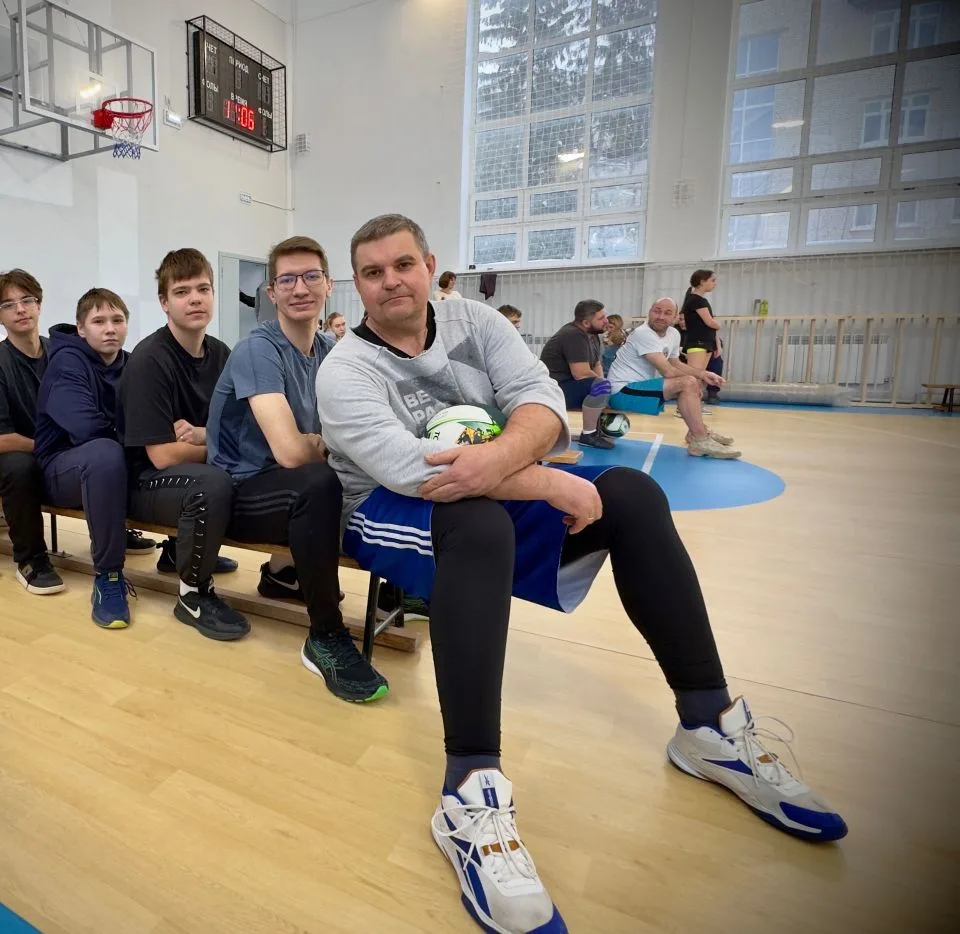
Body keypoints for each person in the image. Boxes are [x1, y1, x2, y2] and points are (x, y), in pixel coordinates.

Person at [316, 214, 846, 934]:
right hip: (386, 508)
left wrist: (514, 462)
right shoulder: (345, 368)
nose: (391, 281)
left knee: (632, 495)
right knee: (477, 524)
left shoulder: (474, 321)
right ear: (357, 284)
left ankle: (708, 726)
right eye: (373, 272)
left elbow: (543, 406)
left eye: (403, 264)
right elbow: (417, 472)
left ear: (430, 265)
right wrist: (544, 480)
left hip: (486, 484)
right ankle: (470, 790)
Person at [207, 236, 387, 702]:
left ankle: (287, 576)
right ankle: (325, 635)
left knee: (378, 469)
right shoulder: (257, 349)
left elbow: (363, 425)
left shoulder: (330, 349)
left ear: (329, 284)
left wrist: (335, 443)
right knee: (320, 482)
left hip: (286, 483)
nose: (300, 288)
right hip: (238, 490)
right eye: (286, 279)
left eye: (310, 276)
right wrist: (328, 443)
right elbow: (289, 452)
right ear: (271, 292)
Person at [119, 248, 248, 640]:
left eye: (203, 289)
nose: (195, 299)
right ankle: (193, 594)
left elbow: (242, 430)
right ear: (164, 302)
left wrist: (206, 435)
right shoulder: (149, 360)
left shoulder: (221, 354)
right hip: (144, 482)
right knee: (213, 483)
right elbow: (162, 456)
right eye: (182, 291)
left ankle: (279, 571)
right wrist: (219, 446)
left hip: (191, 468)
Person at [36, 288, 135, 629]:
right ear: (81, 328)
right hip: (58, 470)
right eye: (99, 321)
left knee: (164, 449)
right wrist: (138, 436)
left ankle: (178, 550)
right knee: (105, 453)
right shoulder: (66, 362)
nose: (110, 329)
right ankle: (109, 576)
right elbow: (85, 428)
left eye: (117, 320)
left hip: (107, 462)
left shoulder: (130, 363)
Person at [0, 269, 64, 595]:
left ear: (39, 304)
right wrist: (47, 446)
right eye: (9, 305)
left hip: (57, 449)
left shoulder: (60, 354)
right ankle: (31, 559)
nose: (21, 309)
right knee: (18, 466)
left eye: (27, 300)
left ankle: (122, 537)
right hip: (14, 455)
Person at [607, 299, 739, 458]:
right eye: (657, 311)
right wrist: (695, 379)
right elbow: (668, 372)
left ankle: (696, 433)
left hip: (638, 388)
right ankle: (701, 440)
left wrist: (703, 374)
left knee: (691, 383)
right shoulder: (643, 333)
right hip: (621, 392)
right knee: (688, 383)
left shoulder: (673, 334)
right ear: (650, 312)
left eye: (667, 313)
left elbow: (676, 363)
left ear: (675, 317)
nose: (660, 316)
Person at [539, 300, 613, 449]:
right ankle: (589, 435)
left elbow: (596, 364)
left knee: (604, 385)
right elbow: (581, 373)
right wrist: (604, 388)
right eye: (601, 318)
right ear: (586, 323)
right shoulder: (573, 335)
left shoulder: (592, 335)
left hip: (568, 385)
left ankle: (597, 428)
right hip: (552, 390)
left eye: (605, 316)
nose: (606, 321)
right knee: (601, 387)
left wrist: (607, 390)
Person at [681, 269, 720, 388]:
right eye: (712, 280)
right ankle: (687, 400)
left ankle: (697, 400)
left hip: (706, 343)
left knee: (701, 378)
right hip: (698, 343)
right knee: (694, 378)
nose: (715, 284)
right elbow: (709, 322)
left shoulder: (700, 300)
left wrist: (717, 345)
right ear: (702, 281)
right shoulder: (696, 300)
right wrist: (718, 325)